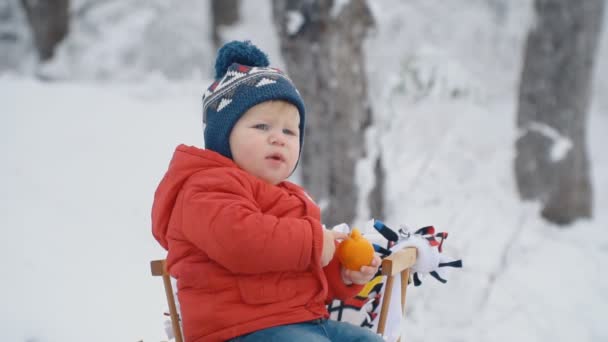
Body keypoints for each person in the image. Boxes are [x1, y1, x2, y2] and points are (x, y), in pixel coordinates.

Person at [152, 40, 382, 342]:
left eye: (289, 131)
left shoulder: (294, 198)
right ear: (224, 136)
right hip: (235, 330)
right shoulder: (204, 187)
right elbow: (242, 241)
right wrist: (314, 241)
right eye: (262, 127)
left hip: (301, 321)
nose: (278, 139)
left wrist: (343, 274)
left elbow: (297, 268)